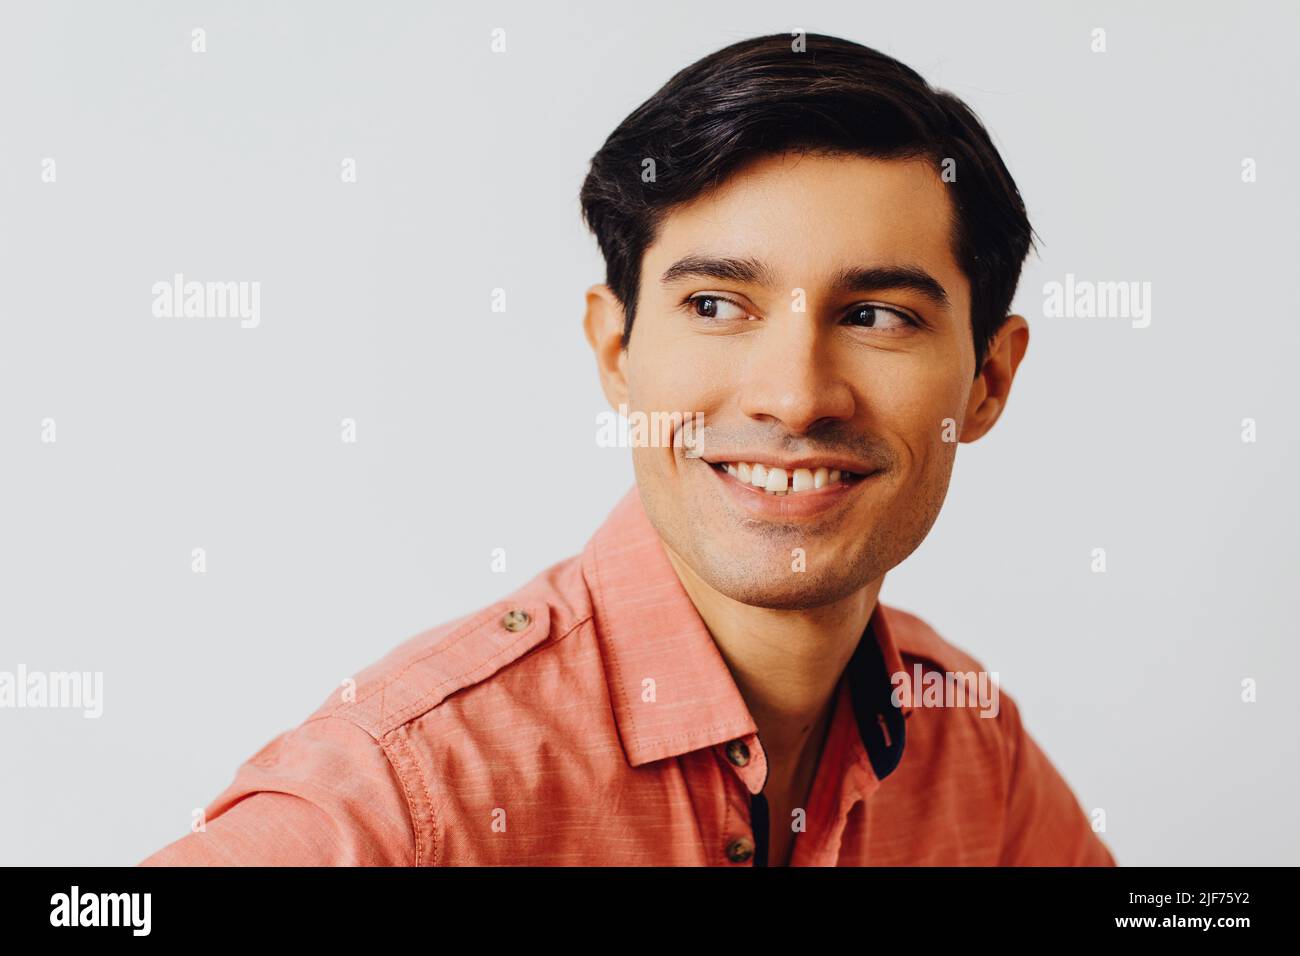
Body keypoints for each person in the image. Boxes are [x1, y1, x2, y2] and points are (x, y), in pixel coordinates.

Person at [141, 32, 1115, 867]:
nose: (794, 394)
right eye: (716, 305)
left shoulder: (971, 745)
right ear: (615, 349)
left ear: (988, 379)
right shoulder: (413, 785)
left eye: (874, 314)